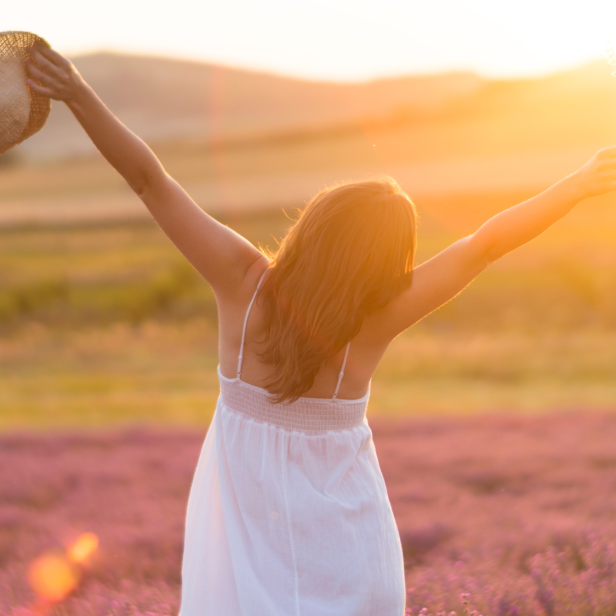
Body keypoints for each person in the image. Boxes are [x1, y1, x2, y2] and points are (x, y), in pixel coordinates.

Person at [25, 44, 616, 616]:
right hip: (352, 558)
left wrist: (79, 93)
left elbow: (149, 180)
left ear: (314, 224)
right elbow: (482, 246)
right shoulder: (377, 321)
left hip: (245, 551)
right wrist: (573, 186)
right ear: (383, 264)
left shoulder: (241, 280)